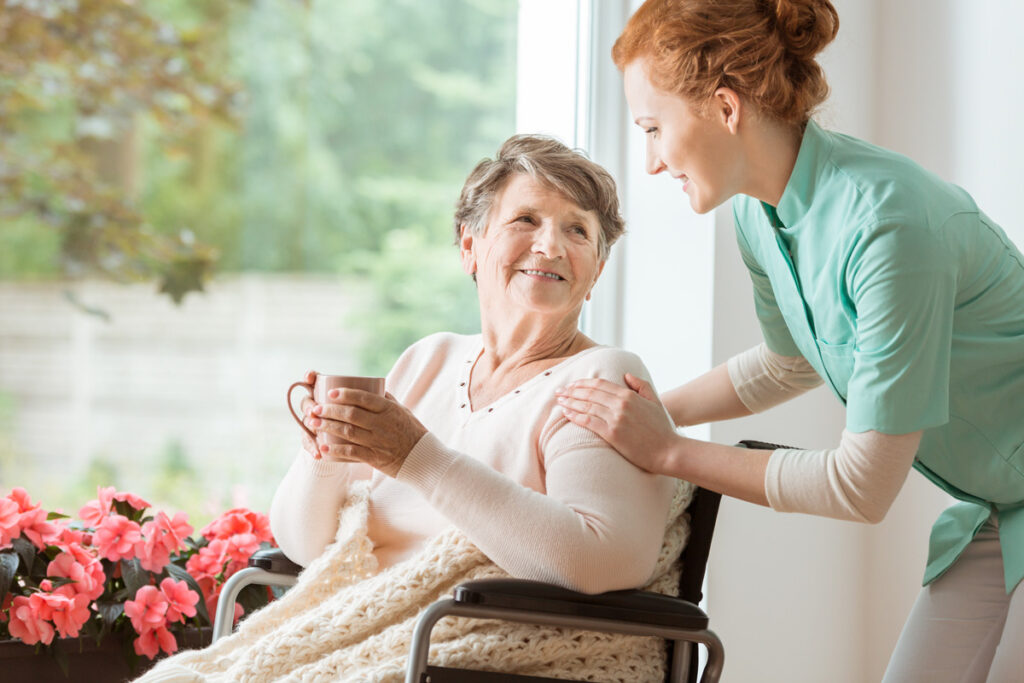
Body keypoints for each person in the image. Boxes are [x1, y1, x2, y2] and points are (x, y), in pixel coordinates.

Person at [553, 1, 1024, 681]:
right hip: (999, 503)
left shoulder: (890, 227)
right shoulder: (758, 213)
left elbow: (861, 485)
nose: (650, 161)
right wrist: (640, 409)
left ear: (723, 106)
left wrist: (668, 450)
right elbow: (789, 362)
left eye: (654, 129)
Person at [136, 135, 684, 682]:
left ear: (597, 271)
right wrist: (323, 454)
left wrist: (417, 459)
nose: (550, 245)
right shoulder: (430, 359)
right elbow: (306, 545)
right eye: (525, 220)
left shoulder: (603, 378)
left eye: (577, 230)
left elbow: (603, 559)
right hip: (361, 640)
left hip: (469, 659)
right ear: (470, 246)